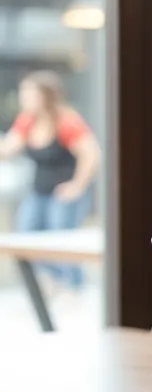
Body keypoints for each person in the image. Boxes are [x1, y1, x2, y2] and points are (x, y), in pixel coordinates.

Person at [0, 70, 100, 290]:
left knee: (62, 244)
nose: (23, 97)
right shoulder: (27, 121)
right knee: (25, 238)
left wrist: (77, 186)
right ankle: (59, 281)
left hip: (64, 193)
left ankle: (74, 287)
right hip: (40, 191)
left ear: (45, 96)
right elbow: (8, 149)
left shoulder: (66, 122)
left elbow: (91, 154)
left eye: (29, 93)